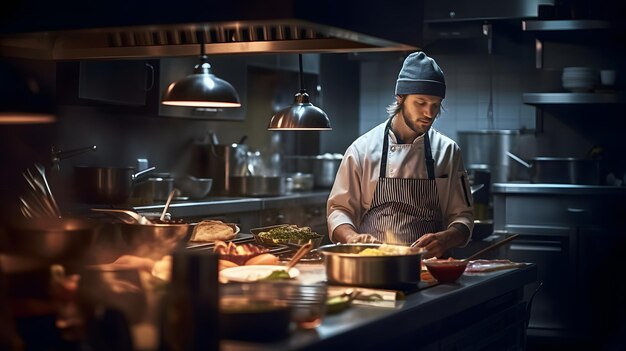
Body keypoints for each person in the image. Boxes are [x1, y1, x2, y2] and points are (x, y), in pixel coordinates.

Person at [326, 51, 474, 258]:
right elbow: (339, 210)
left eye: (435, 105)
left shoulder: (448, 152)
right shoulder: (362, 149)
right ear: (400, 97)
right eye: (420, 103)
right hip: (372, 264)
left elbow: (464, 218)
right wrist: (352, 238)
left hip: (427, 266)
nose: (429, 114)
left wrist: (445, 239)